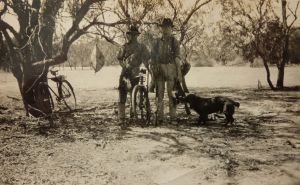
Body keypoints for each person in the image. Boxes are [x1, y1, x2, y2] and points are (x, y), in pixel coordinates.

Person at [151, 18, 183, 123]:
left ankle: (173, 117)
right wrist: (154, 70)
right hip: (160, 68)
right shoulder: (156, 41)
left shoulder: (175, 41)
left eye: (168, 27)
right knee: (159, 94)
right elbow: (153, 57)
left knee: (171, 94)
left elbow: (177, 58)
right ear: (162, 28)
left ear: (171, 28)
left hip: (171, 68)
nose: (166, 29)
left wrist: (179, 73)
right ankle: (160, 117)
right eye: (164, 27)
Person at [117, 25, 150, 122]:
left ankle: (133, 113)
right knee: (122, 92)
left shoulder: (141, 47)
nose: (130, 36)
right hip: (125, 72)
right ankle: (121, 117)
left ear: (136, 35)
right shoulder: (124, 46)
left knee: (134, 92)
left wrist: (148, 68)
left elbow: (146, 59)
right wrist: (124, 66)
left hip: (135, 71)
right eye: (129, 34)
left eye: (132, 34)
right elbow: (120, 59)